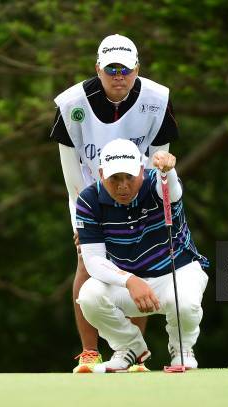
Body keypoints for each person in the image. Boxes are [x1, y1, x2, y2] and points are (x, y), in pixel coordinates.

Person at [50, 34, 179, 373]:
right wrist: (81, 223)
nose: (118, 76)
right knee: (85, 266)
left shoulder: (156, 100)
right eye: (111, 69)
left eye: (125, 69)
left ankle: (134, 354)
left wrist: (152, 216)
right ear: (98, 69)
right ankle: (90, 353)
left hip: (138, 195)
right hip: (90, 197)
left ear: (137, 68)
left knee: (137, 265)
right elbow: (72, 176)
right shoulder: (71, 104)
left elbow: (157, 166)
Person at [75, 139, 209, 372]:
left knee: (186, 303)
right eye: (114, 178)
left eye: (129, 177)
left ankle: (182, 349)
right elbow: (93, 261)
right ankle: (129, 347)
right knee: (89, 295)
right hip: (129, 284)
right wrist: (130, 280)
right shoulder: (89, 199)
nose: (123, 186)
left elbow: (173, 192)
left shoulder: (158, 182)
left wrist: (169, 171)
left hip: (176, 273)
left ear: (141, 170)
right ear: (100, 174)